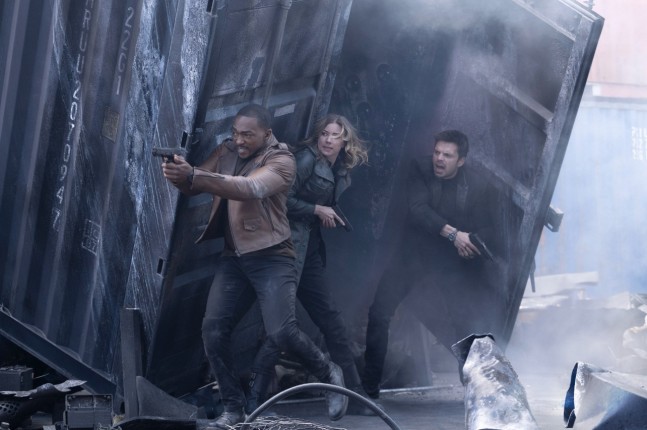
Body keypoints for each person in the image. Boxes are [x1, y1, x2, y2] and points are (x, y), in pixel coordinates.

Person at [161, 104, 347, 429]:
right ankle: (233, 409)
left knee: (282, 332)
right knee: (213, 331)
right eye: (235, 133)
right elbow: (195, 183)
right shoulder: (227, 151)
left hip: (272, 257)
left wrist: (194, 175)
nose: (239, 140)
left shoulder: (282, 160)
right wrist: (178, 174)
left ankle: (328, 371)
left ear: (267, 134)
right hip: (235, 259)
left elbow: (249, 188)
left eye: (247, 134)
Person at [245, 114, 372, 415]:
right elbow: (279, 198)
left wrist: (329, 211)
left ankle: (355, 395)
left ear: (345, 141)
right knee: (281, 327)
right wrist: (317, 209)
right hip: (287, 251)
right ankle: (254, 402)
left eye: (335, 135)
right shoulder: (305, 160)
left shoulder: (339, 167)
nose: (328, 140)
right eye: (324, 134)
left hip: (308, 253)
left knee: (331, 321)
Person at [362, 129, 500, 399]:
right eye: (437, 152)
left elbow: (489, 228)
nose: (439, 159)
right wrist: (455, 235)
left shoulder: (476, 185)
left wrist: (471, 243)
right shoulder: (420, 168)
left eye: (447, 155)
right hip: (411, 254)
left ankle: (473, 392)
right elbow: (418, 209)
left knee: (464, 323)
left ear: (461, 161)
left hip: (450, 261)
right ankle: (369, 390)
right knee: (379, 312)